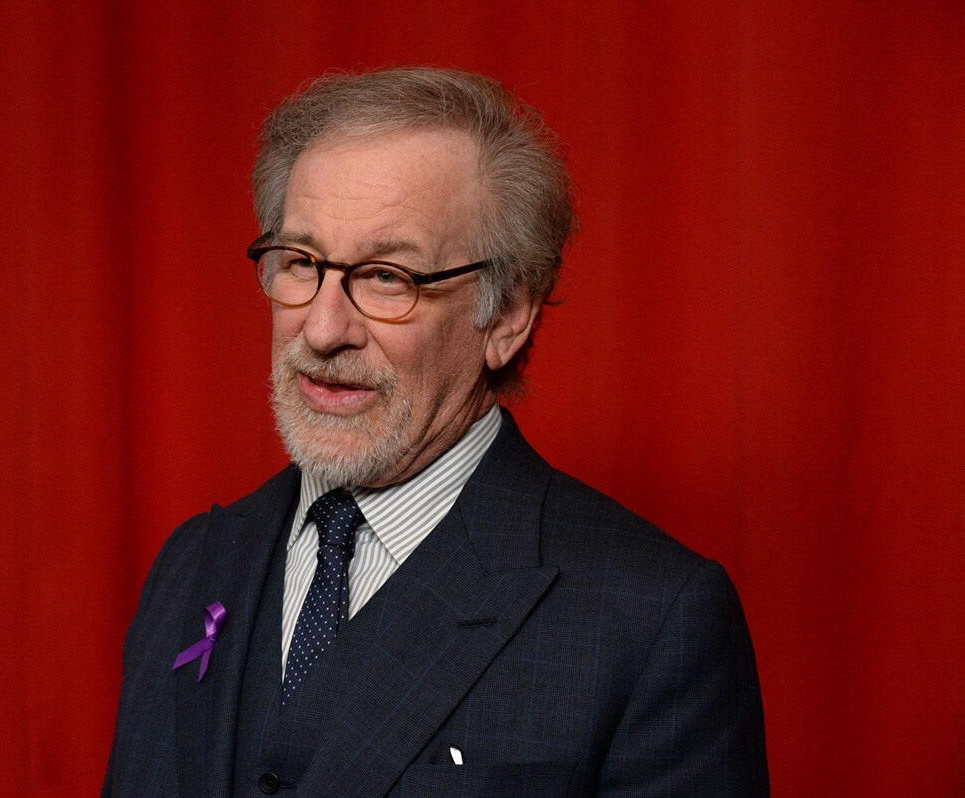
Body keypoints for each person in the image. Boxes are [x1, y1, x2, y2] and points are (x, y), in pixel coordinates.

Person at [104, 67, 768, 797]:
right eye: (301, 263)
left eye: (389, 277)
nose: (322, 329)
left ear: (507, 316)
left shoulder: (652, 620)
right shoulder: (193, 565)